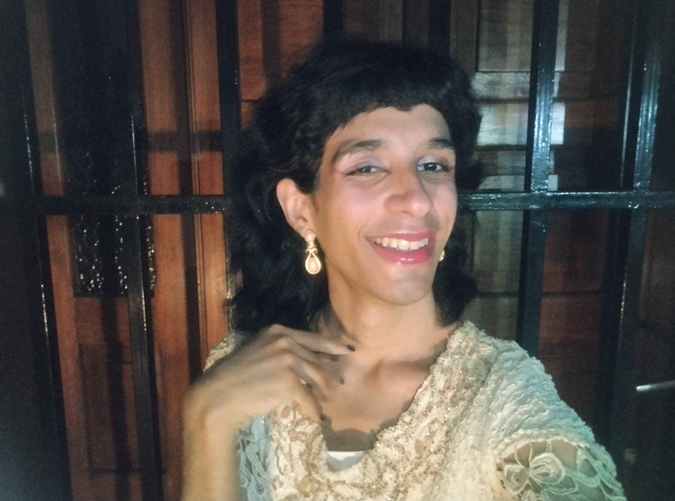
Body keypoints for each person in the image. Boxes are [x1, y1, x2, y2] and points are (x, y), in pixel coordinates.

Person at [181, 39, 626, 501]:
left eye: (433, 165)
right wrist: (206, 418)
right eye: (367, 168)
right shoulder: (238, 372)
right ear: (301, 210)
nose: (416, 199)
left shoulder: (503, 399)